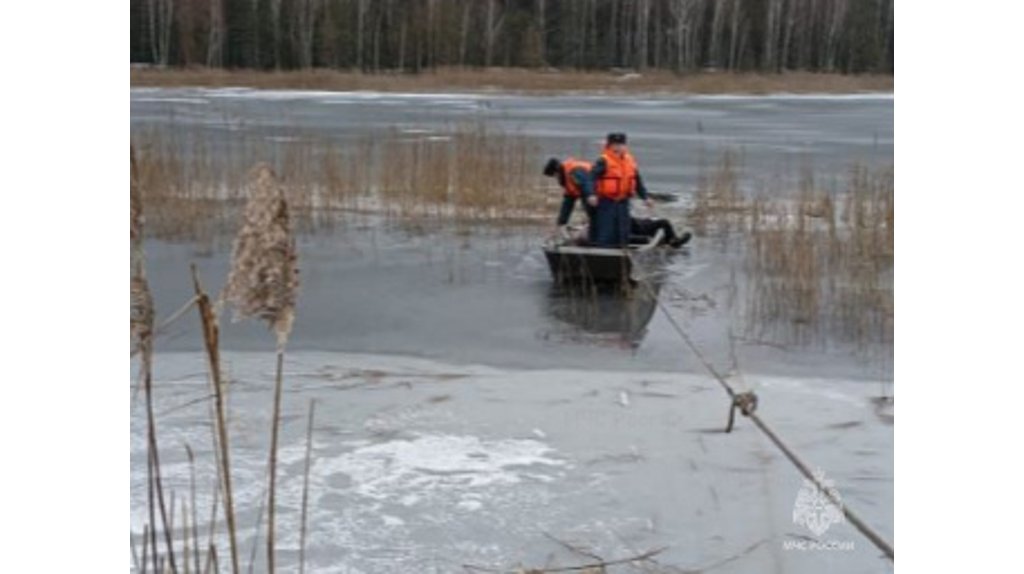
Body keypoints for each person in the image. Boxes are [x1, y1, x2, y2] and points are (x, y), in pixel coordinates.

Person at [590, 133, 654, 247]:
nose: (618, 147)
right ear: (609, 145)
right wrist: (592, 194)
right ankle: (602, 254)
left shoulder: (630, 160)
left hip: (623, 202)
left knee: (623, 231)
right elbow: (591, 178)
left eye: (621, 144)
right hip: (607, 202)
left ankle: (622, 256)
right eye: (615, 144)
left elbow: (637, 181)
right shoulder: (603, 160)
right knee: (607, 232)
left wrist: (645, 197)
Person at [544, 157, 597, 242]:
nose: (555, 178)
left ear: (557, 171)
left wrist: (591, 196)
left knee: (588, 201)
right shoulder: (567, 180)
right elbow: (567, 204)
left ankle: (595, 232)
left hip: (600, 193)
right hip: (591, 195)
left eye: (554, 175)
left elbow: (586, 185)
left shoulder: (574, 172)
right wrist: (561, 222)